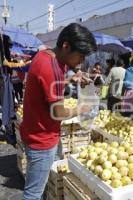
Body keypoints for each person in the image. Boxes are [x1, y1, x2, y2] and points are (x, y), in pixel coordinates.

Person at [20, 23, 97, 200]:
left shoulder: (47, 55)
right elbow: (59, 113)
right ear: (66, 46)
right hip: (42, 139)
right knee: (33, 193)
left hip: (38, 131)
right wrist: (82, 108)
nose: (82, 61)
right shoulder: (51, 67)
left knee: (43, 185)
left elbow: (51, 85)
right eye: (81, 55)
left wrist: (73, 76)